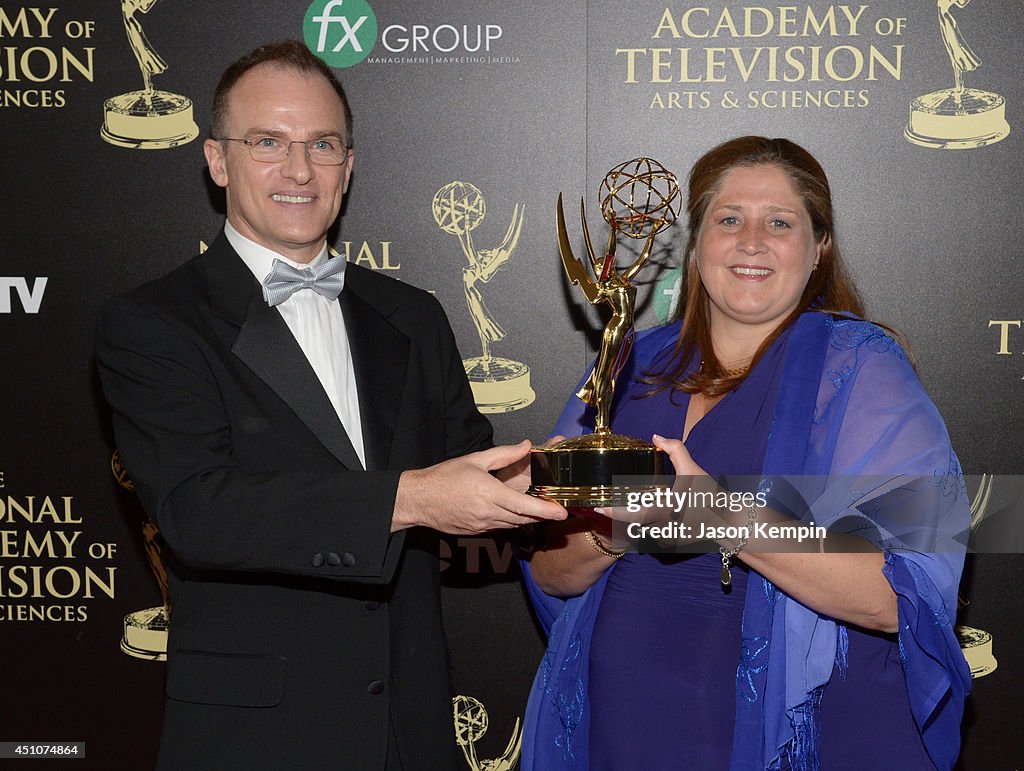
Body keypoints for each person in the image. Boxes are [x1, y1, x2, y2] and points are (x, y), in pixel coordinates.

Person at [94, 40, 565, 770]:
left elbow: (473, 475)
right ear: (218, 161)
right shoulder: (152, 324)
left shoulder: (413, 315)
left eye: (322, 143)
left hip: (410, 732)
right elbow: (199, 509)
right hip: (255, 739)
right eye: (267, 142)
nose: (299, 169)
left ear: (348, 165)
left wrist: (582, 483)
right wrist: (407, 498)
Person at [520, 136, 971, 770]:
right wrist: (613, 527)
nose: (751, 240)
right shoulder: (628, 368)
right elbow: (548, 574)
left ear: (819, 249)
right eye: (728, 219)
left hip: (782, 735)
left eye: (780, 223)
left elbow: (900, 597)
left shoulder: (863, 373)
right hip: (624, 723)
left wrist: (719, 517)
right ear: (697, 243)